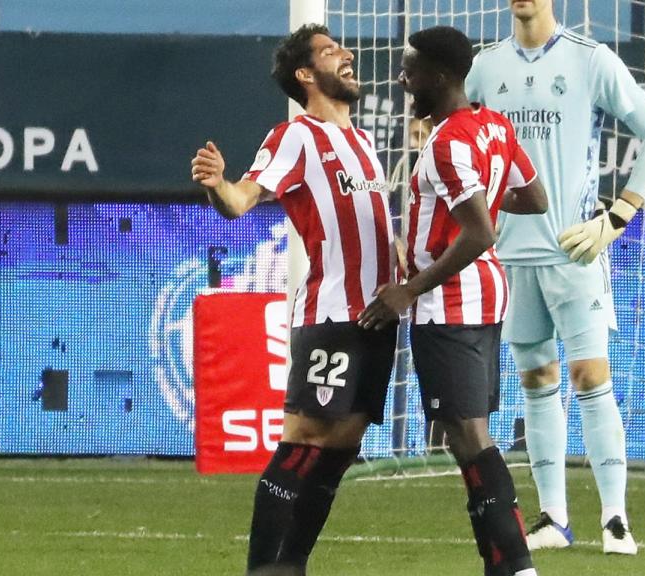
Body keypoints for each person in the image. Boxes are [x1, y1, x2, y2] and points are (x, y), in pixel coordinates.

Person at [465, 0, 645, 555]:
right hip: (511, 254)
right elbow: (457, 143)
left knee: (588, 375)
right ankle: (554, 518)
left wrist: (619, 216)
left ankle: (615, 518)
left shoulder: (592, 60)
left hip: (574, 250)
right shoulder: (485, 68)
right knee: (536, 382)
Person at [190, 24, 397, 576]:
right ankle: (263, 569)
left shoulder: (363, 143)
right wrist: (218, 184)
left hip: (377, 320)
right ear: (306, 75)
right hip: (331, 314)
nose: (347, 55)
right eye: (331, 52)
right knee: (304, 437)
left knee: (343, 444)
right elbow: (242, 200)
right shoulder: (296, 136)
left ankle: (292, 565)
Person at [358, 26, 547, 576]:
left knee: (471, 441)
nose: (402, 78)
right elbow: (534, 199)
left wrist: (408, 290)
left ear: (438, 77)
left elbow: (480, 234)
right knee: (471, 439)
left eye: (410, 69)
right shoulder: (493, 125)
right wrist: (486, 199)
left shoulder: (444, 144)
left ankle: (515, 564)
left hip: (449, 307)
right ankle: (506, 563)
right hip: (487, 300)